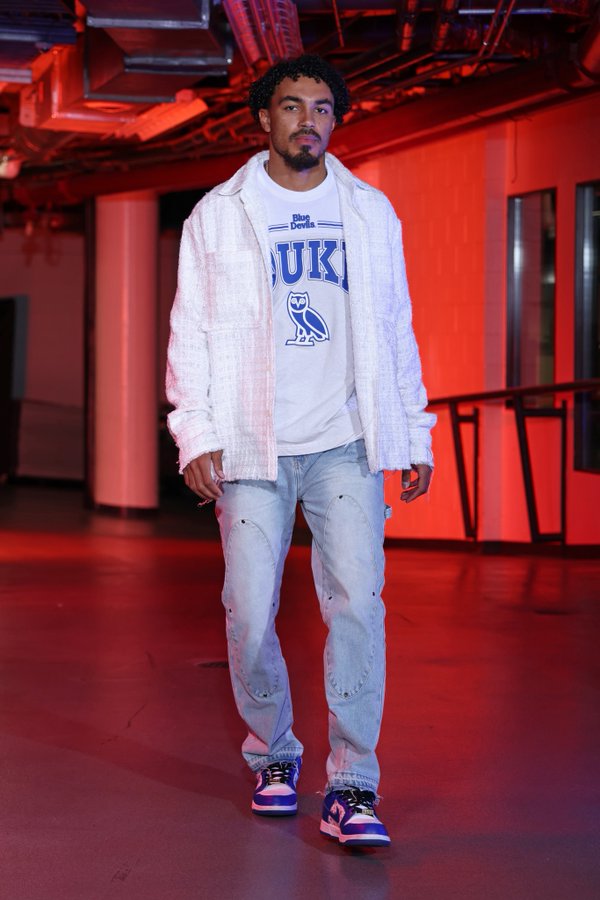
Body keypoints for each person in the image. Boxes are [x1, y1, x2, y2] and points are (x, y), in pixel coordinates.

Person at [166, 54, 435, 848]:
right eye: (293, 107)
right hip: (253, 444)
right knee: (249, 615)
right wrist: (197, 433)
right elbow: (193, 331)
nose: (308, 121)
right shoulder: (220, 214)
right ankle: (274, 753)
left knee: (358, 606)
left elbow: (393, 328)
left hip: (345, 443)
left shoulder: (370, 212)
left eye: (323, 109)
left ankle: (353, 783)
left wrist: (410, 430)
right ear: (264, 119)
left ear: (333, 123)